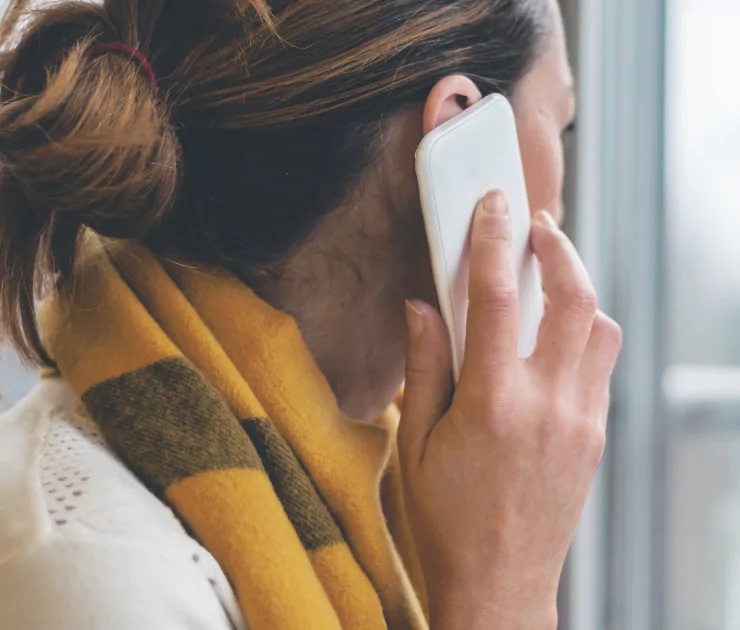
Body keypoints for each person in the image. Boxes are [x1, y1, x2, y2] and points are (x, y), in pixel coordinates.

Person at [0, 0, 620, 629]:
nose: (562, 205)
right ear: (456, 130)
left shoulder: (396, 479)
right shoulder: (91, 568)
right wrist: (502, 594)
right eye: (562, 125)